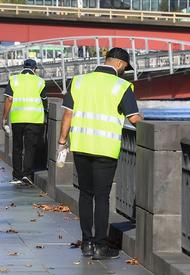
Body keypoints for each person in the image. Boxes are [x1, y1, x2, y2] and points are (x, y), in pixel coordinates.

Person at [57, 47, 142, 260]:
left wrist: (61, 141)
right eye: (125, 68)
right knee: (102, 197)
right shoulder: (122, 86)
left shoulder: (78, 81)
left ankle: (86, 243)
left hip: (81, 145)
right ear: (120, 64)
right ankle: (101, 246)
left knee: (85, 195)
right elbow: (134, 119)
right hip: (105, 149)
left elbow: (68, 114)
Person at [2, 59, 48, 186]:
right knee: (30, 147)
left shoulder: (14, 79)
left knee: (17, 147)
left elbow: (9, 100)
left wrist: (4, 119)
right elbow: (44, 100)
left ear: (23, 67)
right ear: (34, 69)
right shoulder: (40, 81)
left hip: (18, 118)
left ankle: (16, 175)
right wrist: (46, 112)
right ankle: (27, 175)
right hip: (35, 119)